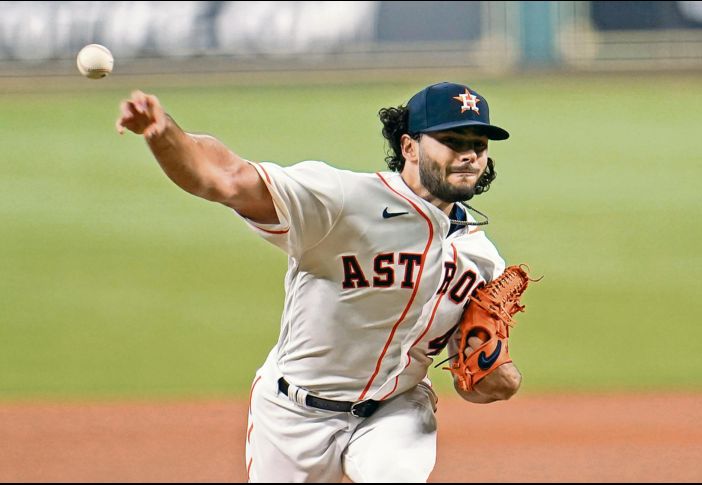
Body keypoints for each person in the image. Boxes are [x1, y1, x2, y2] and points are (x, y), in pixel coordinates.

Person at [116, 81, 523, 483]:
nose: (469, 155)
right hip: (292, 414)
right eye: (452, 141)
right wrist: (164, 134)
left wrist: (498, 379)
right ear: (409, 147)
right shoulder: (344, 200)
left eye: (478, 145)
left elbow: (472, 378)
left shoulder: (481, 259)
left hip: (395, 411)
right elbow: (227, 176)